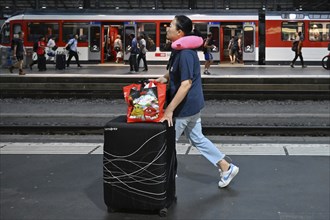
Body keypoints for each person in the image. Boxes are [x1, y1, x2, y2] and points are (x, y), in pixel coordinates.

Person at [155, 15, 239, 188]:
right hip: (193, 106)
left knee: (166, 142)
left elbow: (186, 84)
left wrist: (169, 110)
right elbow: (176, 73)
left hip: (183, 108)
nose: (166, 28)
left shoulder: (185, 53)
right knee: (197, 138)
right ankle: (226, 167)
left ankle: (165, 177)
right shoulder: (180, 49)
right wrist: (163, 78)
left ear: (179, 32)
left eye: (170, 25)